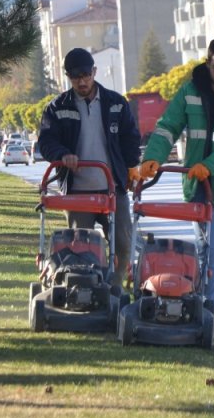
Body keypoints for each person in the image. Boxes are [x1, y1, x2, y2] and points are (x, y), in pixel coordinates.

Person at [137, 37, 214, 337]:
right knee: (207, 250)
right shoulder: (189, 93)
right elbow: (168, 127)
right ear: (208, 62)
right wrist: (153, 157)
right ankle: (207, 310)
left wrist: (210, 166)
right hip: (200, 188)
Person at [37, 48, 142, 287]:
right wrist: (62, 155)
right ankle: (86, 290)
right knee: (80, 248)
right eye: (75, 77)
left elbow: (130, 138)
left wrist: (131, 167)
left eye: (86, 75)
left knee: (123, 245)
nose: (82, 81)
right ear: (68, 77)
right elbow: (46, 141)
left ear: (94, 72)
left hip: (113, 188)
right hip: (77, 192)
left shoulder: (116, 103)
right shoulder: (56, 108)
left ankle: (114, 292)